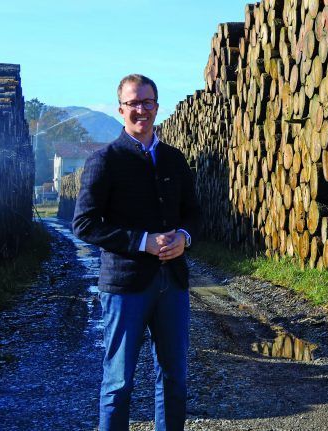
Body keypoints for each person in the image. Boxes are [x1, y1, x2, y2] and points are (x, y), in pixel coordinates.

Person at [72, 74, 194, 431]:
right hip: (125, 285)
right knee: (118, 383)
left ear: (157, 107)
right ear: (120, 109)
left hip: (173, 282)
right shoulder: (104, 160)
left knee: (175, 379)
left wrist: (184, 237)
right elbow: (85, 224)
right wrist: (143, 241)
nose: (141, 110)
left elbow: (194, 212)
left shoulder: (174, 159)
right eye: (133, 103)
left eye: (147, 103)